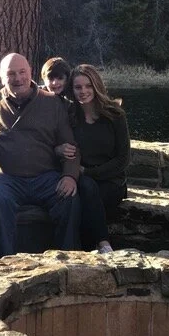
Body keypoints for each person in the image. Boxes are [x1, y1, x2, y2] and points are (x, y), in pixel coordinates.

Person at [0, 53, 82, 257]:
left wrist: (70, 176)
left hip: (45, 176)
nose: (18, 78)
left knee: (69, 198)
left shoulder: (51, 102)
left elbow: (70, 146)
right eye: (11, 74)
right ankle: (4, 261)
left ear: (30, 72)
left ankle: (68, 259)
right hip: (6, 177)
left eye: (22, 72)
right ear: (1, 77)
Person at [63, 64, 131, 224]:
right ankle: (99, 239)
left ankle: (94, 238)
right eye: (78, 87)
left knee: (87, 194)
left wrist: (89, 172)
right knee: (78, 193)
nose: (83, 91)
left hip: (111, 180)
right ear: (72, 89)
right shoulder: (70, 116)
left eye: (88, 86)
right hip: (83, 179)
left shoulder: (115, 115)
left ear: (96, 86)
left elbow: (123, 159)